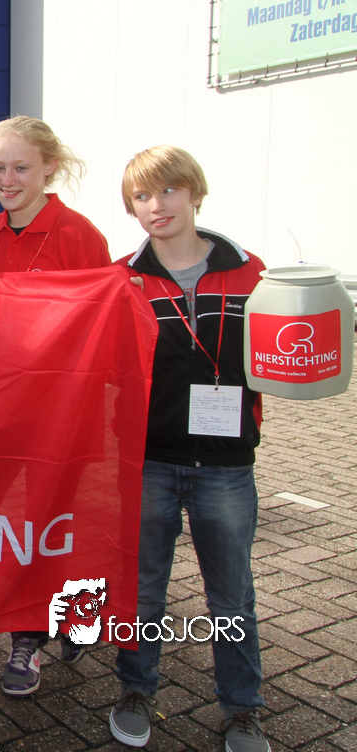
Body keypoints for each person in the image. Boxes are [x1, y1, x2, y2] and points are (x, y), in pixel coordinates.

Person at [109, 146, 270, 752]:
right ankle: (135, 689)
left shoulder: (252, 273)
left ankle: (242, 708)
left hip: (226, 466)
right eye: (142, 196)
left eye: (169, 190)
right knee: (142, 590)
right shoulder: (121, 278)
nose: (157, 205)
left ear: (196, 194)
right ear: (132, 208)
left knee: (231, 596)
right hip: (149, 460)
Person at [0, 116, 110, 695]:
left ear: (49, 167)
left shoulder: (79, 235)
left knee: (60, 522)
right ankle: (33, 627)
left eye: (21, 168)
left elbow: (100, 327)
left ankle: (61, 624)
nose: (7, 180)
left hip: (63, 412)